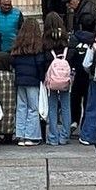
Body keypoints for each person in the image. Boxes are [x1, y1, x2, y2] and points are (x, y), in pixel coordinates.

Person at [64, 0, 96, 130]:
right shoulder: (87, 8)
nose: (69, 5)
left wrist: (75, 38)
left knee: (82, 89)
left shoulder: (86, 13)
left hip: (86, 55)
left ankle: (81, 120)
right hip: (86, 54)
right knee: (81, 90)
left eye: (70, 2)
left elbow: (86, 34)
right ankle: (80, 120)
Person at [10, 17, 46, 146]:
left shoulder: (18, 46)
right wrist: (42, 78)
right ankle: (31, 136)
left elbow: (13, 62)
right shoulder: (37, 46)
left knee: (21, 107)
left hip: (20, 80)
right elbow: (40, 63)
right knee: (33, 108)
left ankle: (20, 134)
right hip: (33, 80)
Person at [43, 11, 77, 145]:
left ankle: (52, 136)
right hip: (65, 76)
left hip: (52, 77)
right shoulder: (66, 38)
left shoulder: (45, 40)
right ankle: (64, 136)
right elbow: (73, 53)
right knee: (66, 106)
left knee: (52, 106)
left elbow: (44, 58)